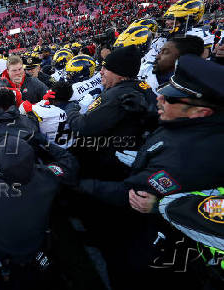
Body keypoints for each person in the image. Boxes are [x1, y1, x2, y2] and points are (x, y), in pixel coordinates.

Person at [77, 54, 224, 289]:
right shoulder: (198, 125)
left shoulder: (185, 156)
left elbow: (134, 194)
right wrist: (146, 118)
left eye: (171, 99)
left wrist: (77, 184)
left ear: (201, 111)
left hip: (163, 242)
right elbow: (172, 127)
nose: (160, 99)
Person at [0, 134, 78, 289]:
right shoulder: (48, 175)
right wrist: (46, 143)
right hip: (37, 246)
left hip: (1, 251)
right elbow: (70, 162)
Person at [66, 46, 158, 180]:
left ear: (119, 73)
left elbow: (82, 127)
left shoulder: (116, 95)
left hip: (111, 168)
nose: (101, 72)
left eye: (106, 68)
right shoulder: (142, 86)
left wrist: (71, 109)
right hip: (133, 161)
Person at [138, 35, 204, 94]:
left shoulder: (190, 87)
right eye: (160, 51)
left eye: (165, 52)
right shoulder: (147, 69)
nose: (157, 56)